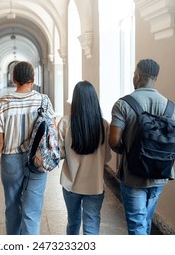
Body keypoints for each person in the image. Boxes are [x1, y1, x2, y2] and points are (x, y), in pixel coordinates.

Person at [109, 59, 175, 235]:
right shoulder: (172, 108)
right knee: (145, 221)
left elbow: (113, 141)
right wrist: (158, 153)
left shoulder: (123, 104)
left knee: (137, 225)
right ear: (155, 78)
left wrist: (129, 151)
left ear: (137, 76)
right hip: (160, 175)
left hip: (133, 175)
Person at [0, 61, 56, 235]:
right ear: (33, 79)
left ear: (13, 78)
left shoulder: (3, 103)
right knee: (31, 212)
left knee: (12, 207)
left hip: (10, 161)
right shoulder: (43, 100)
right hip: (38, 159)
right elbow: (51, 130)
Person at [57, 80, 111, 235]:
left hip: (70, 183)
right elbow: (106, 157)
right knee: (92, 225)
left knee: (73, 222)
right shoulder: (103, 125)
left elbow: (59, 153)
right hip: (94, 186)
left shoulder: (65, 122)